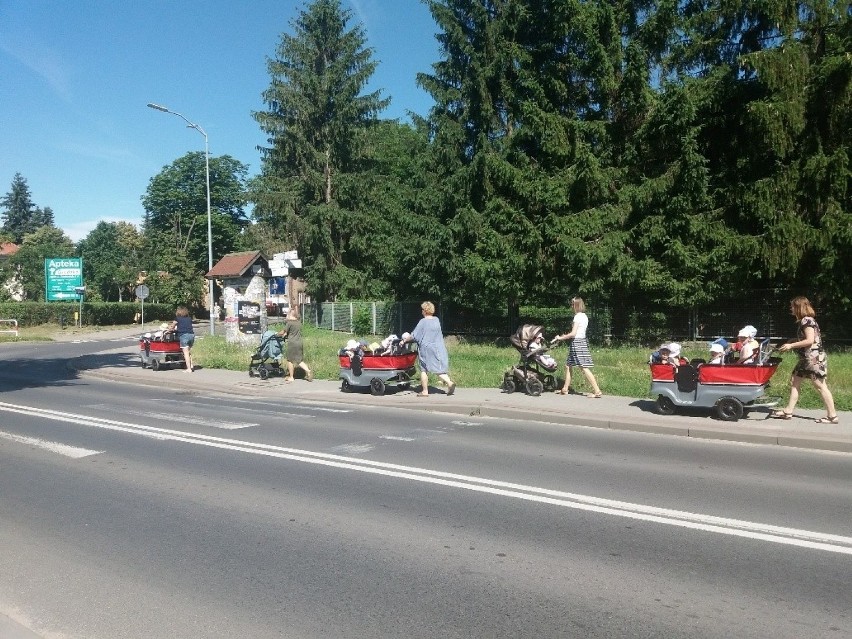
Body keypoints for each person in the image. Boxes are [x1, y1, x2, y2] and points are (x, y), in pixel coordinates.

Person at [771, 296, 838, 424]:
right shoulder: (807, 320)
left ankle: (832, 416)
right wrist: (794, 340)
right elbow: (808, 339)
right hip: (806, 359)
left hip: (812, 360)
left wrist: (791, 345)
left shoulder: (806, 321)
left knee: (820, 386)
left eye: (792, 306)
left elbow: (810, 340)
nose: (791, 309)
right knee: (794, 381)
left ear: (799, 307)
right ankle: (788, 411)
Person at [400, 301, 456, 397]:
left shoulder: (423, 322)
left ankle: (426, 391)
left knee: (424, 369)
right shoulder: (436, 320)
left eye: (422, 309)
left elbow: (414, 335)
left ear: (425, 311)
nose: (421, 311)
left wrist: (404, 340)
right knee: (438, 368)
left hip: (426, 349)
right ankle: (449, 382)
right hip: (439, 347)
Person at [553, 297, 603, 398]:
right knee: (568, 365)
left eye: (572, 304)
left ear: (576, 305)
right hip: (581, 341)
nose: (571, 306)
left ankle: (597, 391)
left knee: (583, 367)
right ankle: (565, 389)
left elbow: (573, 333)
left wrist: (561, 338)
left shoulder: (577, 317)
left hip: (577, 343)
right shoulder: (584, 316)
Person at [282, 309, 313, 383]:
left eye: (288, 314)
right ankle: (308, 371)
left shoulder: (290, 323)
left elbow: (283, 332)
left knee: (290, 360)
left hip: (292, 343)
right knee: (299, 360)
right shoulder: (299, 323)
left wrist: (277, 334)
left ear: (290, 315)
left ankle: (291, 377)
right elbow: (293, 332)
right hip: (299, 342)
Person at [170, 305, 195, 373]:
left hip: (184, 336)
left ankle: (188, 369)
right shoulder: (189, 318)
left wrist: (170, 329)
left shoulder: (177, 318)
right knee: (189, 352)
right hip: (191, 335)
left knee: (185, 353)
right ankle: (191, 365)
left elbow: (172, 326)